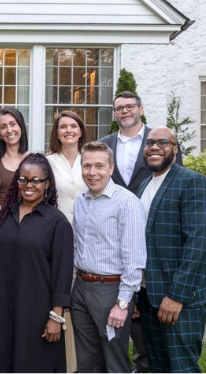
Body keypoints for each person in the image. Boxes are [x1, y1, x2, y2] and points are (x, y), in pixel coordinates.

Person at [99, 91, 183, 373]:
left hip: (156, 238)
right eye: (119, 107)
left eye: (130, 106)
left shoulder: (160, 141)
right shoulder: (105, 144)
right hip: (115, 238)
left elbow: (175, 184)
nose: (125, 111)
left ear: (141, 109)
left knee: (160, 336)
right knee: (133, 315)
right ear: (114, 113)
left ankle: (148, 365)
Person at [0, 153, 74, 373]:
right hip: (2, 304)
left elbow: (62, 273)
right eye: (23, 179)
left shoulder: (57, 222)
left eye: (36, 180)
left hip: (36, 310)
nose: (28, 185)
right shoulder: (6, 215)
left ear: (47, 183)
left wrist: (56, 316)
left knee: (32, 362)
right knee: (0, 359)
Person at [71, 141, 146, 373]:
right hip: (81, 288)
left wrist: (123, 303)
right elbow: (76, 247)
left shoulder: (127, 202)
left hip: (110, 291)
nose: (92, 172)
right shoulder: (81, 201)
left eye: (99, 166)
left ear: (111, 168)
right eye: (86, 166)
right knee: (87, 359)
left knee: (114, 359)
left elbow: (134, 258)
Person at [137, 126, 206, 373]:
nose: (154, 147)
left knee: (182, 369)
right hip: (147, 298)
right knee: (158, 368)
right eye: (150, 143)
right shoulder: (144, 186)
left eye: (163, 142)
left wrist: (177, 296)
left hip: (179, 302)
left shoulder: (192, 182)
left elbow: (199, 242)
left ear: (175, 150)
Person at [46, 110, 88, 373]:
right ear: (57, 132)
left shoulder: (90, 158)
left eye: (74, 126)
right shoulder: (48, 161)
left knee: (81, 297)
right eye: (63, 127)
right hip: (56, 237)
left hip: (88, 237)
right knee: (59, 290)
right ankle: (60, 359)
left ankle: (79, 361)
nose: (69, 130)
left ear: (81, 130)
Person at [0, 107, 28, 217]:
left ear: (21, 126)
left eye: (13, 124)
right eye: (3, 127)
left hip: (28, 221)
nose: (9, 130)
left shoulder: (34, 160)